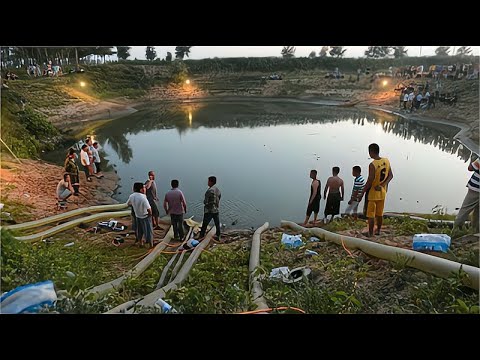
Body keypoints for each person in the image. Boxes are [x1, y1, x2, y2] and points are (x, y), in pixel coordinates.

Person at [360, 143, 394, 237]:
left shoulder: (373, 165)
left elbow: (370, 180)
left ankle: (370, 233)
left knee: (370, 214)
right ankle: (378, 230)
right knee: (379, 213)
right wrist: (382, 185)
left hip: (373, 193)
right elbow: (391, 175)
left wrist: (362, 192)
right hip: (382, 192)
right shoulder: (386, 161)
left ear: (371, 152)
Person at [453, 158, 479, 233]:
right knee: (478, 213)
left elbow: (470, 168)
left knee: (465, 209)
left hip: (475, 188)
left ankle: (456, 230)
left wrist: (472, 160)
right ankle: (475, 231)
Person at [127, 182, 153, 248]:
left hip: (137, 216)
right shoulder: (143, 197)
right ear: (141, 189)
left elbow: (128, 204)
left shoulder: (131, 196)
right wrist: (150, 215)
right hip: (145, 216)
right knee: (148, 231)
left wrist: (135, 205)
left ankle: (140, 243)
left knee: (139, 231)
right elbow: (149, 209)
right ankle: (151, 245)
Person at [197, 176, 222, 241]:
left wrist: (206, 203)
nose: (207, 182)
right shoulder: (217, 189)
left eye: (208, 181)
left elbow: (206, 201)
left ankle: (201, 236)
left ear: (211, 182)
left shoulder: (209, 191)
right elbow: (219, 197)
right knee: (217, 223)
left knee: (205, 224)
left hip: (209, 210)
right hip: (216, 209)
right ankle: (218, 235)